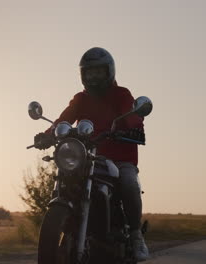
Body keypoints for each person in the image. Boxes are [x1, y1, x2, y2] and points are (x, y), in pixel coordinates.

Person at [34, 47, 149, 261]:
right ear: (82, 75)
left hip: (119, 160)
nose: (93, 77)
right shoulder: (80, 99)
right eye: (89, 72)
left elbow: (133, 117)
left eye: (98, 72)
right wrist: (48, 134)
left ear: (109, 72)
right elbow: (64, 120)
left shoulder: (121, 94)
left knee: (130, 183)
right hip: (86, 157)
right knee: (66, 177)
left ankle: (135, 236)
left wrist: (133, 126)